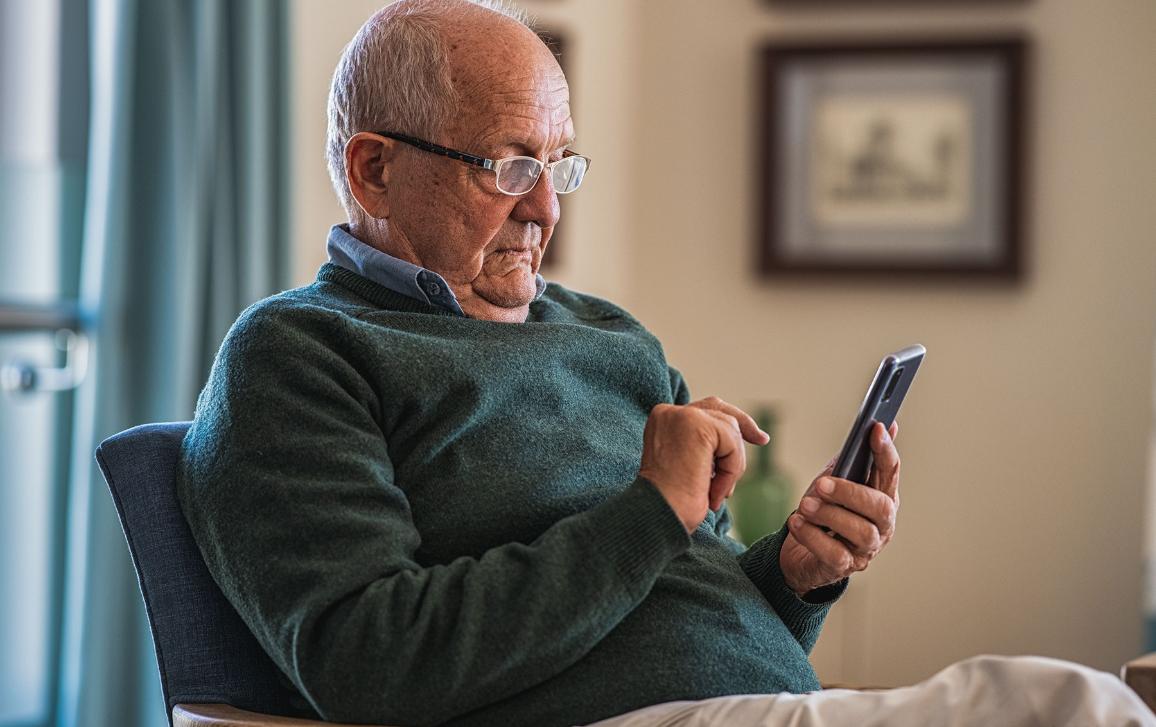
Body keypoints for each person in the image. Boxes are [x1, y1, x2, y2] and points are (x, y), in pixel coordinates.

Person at [176, 1, 1153, 725]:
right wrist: (650, 510)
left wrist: (791, 576)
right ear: (373, 169)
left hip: (745, 706)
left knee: (1084, 703)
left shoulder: (611, 337)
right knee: (1076, 707)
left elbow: (676, 590)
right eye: (507, 165)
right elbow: (368, 663)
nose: (545, 209)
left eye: (558, 166)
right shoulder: (298, 356)